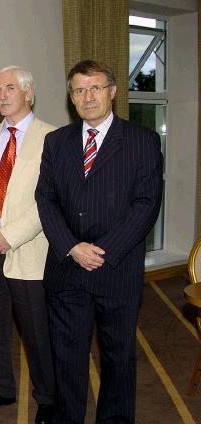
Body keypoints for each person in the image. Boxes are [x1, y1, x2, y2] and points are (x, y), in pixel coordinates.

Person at [35, 60, 163, 423]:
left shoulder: (142, 141)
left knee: (118, 358)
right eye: (79, 90)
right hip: (67, 269)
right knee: (67, 358)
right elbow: (45, 198)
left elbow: (146, 204)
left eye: (95, 88)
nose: (87, 96)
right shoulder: (56, 142)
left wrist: (102, 252)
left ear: (112, 91)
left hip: (116, 269)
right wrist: (72, 247)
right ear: (71, 97)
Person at [0, 66, 55, 424]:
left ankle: (48, 398)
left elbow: (49, 199)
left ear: (28, 94)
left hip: (29, 253)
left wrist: (11, 235)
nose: (2, 95)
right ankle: (0, 389)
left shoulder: (53, 138)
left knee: (37, 332)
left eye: (10, 88)